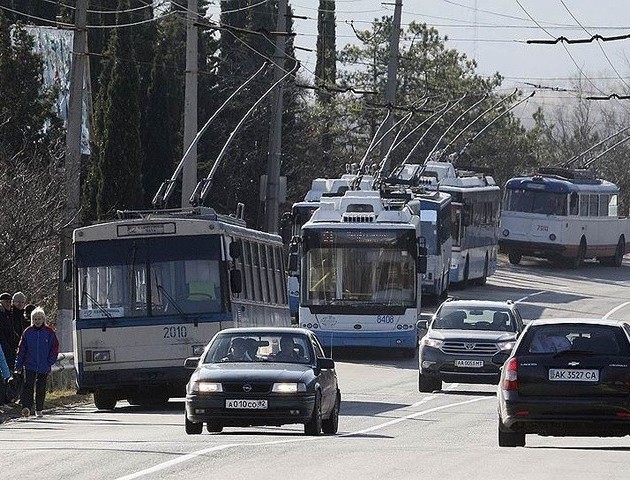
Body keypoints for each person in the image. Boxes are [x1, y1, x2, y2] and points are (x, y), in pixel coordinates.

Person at [14, 307, 59, 418]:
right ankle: (27, 408)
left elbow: (55, 348)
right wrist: (18, 364)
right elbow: (22, 349)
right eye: (35, 319)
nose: (37, 321)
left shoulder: (49, 332)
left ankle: (39, 409)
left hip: (44, 365)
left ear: (43, 319)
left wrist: (50, 361)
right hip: (29, 364)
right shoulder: (27, 332)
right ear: (32, 320)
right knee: (28, 386)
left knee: (41, 387)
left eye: (39, 319)